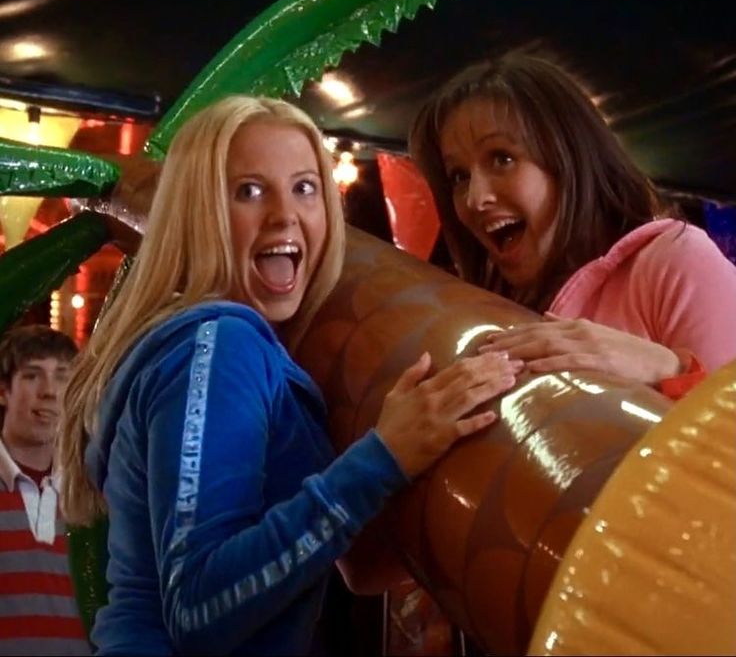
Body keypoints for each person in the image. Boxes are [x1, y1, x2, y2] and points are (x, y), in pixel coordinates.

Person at [57, 95, 520, 656]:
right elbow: (201, 608)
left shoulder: (216, 343)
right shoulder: (221, 341)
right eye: (249, 191)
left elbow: (356, 571)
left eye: (304, 188)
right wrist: (382, 459)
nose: (284, 215)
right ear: (197, 212)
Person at [409, 52, 736, 397]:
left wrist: (669, 369)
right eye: (459, 176)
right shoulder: (482, 307)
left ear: (570, 158)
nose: (475, 198)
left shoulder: (674, 260)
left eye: (502, 159)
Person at [0, 324, 90, 656]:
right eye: (32, 376)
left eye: (62, 376)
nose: (50, 391)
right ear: (3, 390)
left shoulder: (97, 494)